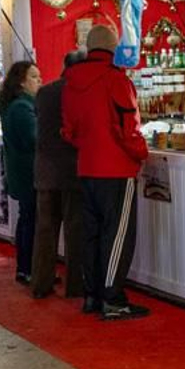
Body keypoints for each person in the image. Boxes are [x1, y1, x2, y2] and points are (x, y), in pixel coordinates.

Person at [61, 24, 149, 320]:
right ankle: (113, 299)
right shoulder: (117, 80)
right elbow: (129, 128)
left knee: (92, 234)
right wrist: (141, 153)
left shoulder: (71, 83)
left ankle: (92, 295)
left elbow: (68, 132)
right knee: (117, 235)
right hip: (116, 169)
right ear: (114, 48)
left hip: (86, 167)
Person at [30, 50, 86, 300]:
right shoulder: (80, 92)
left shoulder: (44, 92)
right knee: (75, 231)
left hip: (45, 170)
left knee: (45, 231)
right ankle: (76, 286)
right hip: (73, 170)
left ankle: (40, 283)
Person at [0, 60, 41, 284]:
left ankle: (26, 267)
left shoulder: (14, 105)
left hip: (21, 171)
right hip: (28, 172)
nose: (39, 81)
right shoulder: (22, 107)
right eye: (34, 77)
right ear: (22, 82)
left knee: (27, 219)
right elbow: (34, 139)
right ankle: (28, 267)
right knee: (30, 221)